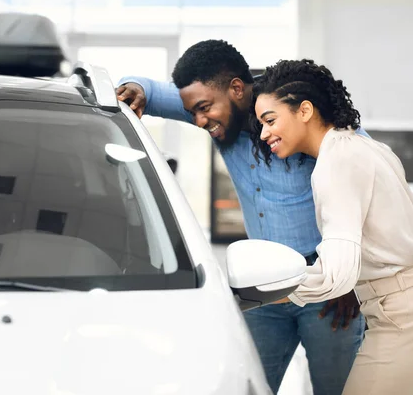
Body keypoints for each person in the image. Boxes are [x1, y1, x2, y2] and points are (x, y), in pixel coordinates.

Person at [115, 40, 366, 395]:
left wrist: (352, 276)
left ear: (236, 89)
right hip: (261, 287)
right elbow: (151, 92)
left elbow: (370, 190)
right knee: (243, 384)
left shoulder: (304, 119)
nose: (199, 121)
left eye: (204, 109)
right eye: (194, 112)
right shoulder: (212, 110)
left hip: (328, 287)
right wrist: (137, 88)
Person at [252, 58, 413, 394]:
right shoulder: (366, 147)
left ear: (304, 111)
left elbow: (336, 275)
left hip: (405, 315)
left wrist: (258, 293)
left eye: (269, 120)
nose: (264, 133)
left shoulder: (336, 164)